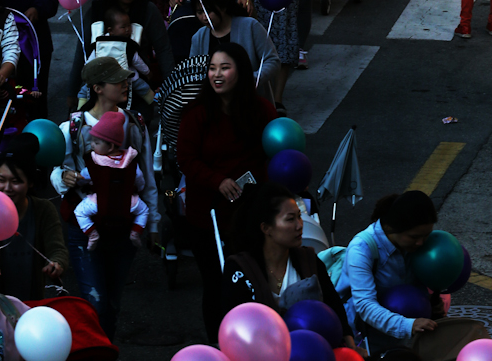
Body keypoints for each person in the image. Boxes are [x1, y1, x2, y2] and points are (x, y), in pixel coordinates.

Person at [52, 57, 159, 339]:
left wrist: (154, 225)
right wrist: (63, 178)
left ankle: (105, 349)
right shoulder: (72, 128)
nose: (126, 83)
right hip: (84, 229)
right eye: (117, 80)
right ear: (97, 88)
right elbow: (55, 171)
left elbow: (147, 178)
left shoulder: (135, 124)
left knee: (112, 304)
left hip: (124, 227)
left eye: (126, 78)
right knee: (95, 304)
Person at [176, 42, 277, 340]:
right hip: (207, 218)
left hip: (250, 216)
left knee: (255, 279)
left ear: (241, 72)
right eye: (212, 68)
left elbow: (276, 152)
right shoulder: (196, 114)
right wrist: (217, 180)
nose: (216, 75)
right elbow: (186, 159)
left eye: (224, 68)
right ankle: (219, 343)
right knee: (216, 283)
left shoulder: (261, 111)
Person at [223, 183, 354, 346]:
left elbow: (334, 308)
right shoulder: (240, 270)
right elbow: (235, 328)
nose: (300, 225)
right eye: (290, 219)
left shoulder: (309, 260)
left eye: (299, 216)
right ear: (266, 228)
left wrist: (350, 344)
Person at [336, 190, 440, 351]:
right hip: (366, 340)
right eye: (413, 237)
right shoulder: (361, 249)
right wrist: (408, 325)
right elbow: (364, 305)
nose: (420, 243)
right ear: (392, 228)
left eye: (426, 236)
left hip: (408, 337)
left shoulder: (415, 246)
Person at [0, 134, 69, 299]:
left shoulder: (43, 210)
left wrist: (56, 263)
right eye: (1, 180)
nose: (7, 188)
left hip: (32, 303)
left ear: (30, 182)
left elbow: (57, 248)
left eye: (16, 181)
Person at [68, 0, 174, 102]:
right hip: (100, 90)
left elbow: (163, 50)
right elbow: (82, 51)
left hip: (136, 87)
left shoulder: (148, 10)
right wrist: (72, 93)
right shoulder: (97, 12)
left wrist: (172, 86)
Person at [72, 111, 150, 250]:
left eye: (96, 142)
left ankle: (92, 233)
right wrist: (137, 190)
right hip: (128, 203)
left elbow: (83, 178)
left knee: (79, 211)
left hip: (100, 203)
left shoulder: (95, 162)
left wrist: (79, 181)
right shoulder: (130, 161)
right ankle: (136, 231)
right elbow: (139, 181)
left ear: (111, 146)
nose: (92, 145)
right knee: (143, 210)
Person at [189, 0, 280, 90]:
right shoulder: (199, 37)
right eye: (199, 12)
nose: (204, 17)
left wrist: (251, 80)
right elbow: (193, 72)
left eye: (209, 11)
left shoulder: (250, 26)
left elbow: (272, 60)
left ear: (222, 7)